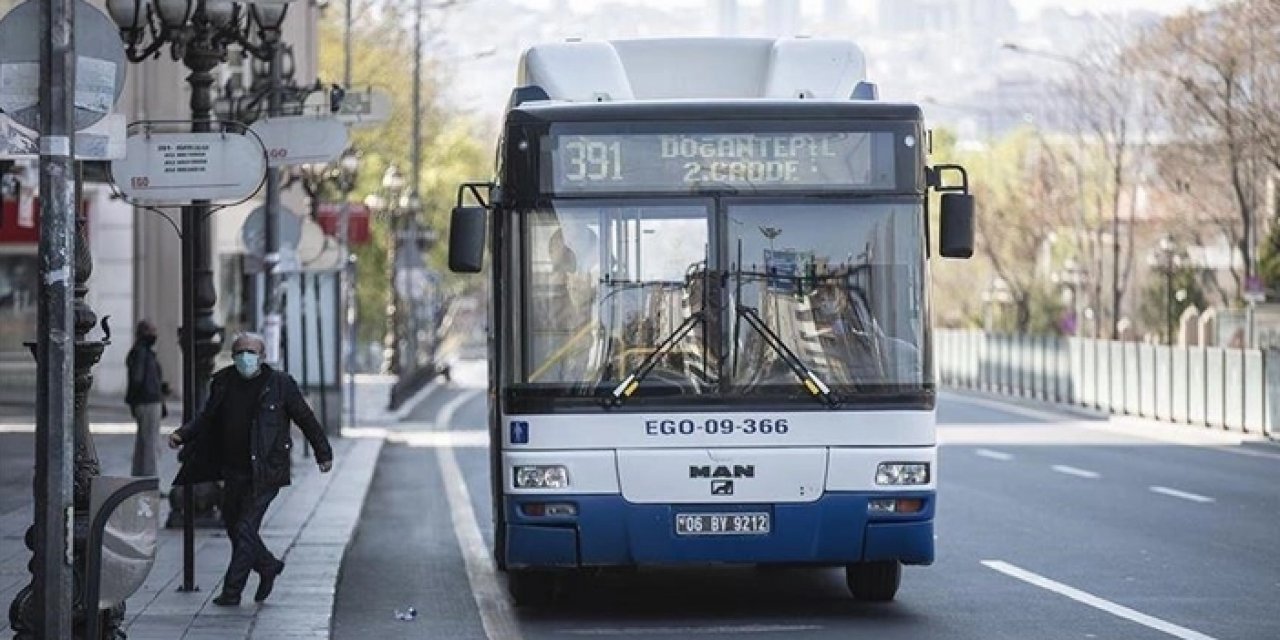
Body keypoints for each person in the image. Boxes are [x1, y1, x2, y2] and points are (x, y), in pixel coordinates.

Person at [167, 332, 334, 606]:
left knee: (245, 527)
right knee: (235, 527)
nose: (246, 357)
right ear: (233, 357)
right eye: (240, 352)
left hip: (267, 470)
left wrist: (322, 453)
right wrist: (183, 434)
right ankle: (267, 566)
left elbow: (305, 418)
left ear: (263, 356)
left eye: (251, 352)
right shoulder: (223, 382)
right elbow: (207, 417)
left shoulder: (280, 384)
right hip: (233, 470)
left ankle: (232, 592)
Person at [125, 320, 169, 477]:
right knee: (150, 443)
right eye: (151, 331)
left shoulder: (142, 353)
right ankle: (150, 479)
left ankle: (140, 476)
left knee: (145, 442)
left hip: (148, 401)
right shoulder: (142, 353)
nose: (155, 335)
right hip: (148, 401)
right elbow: (137, 379)